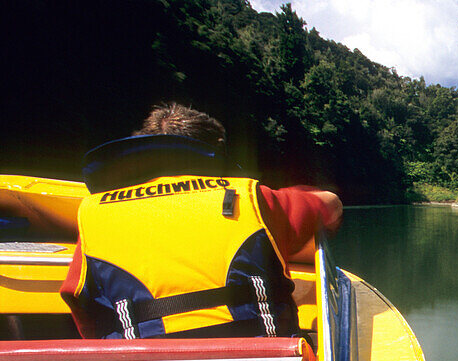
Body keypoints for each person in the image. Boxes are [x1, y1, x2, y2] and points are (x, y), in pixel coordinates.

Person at [61, 103, 342, 339]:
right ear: (217, 149)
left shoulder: (94, 214)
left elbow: (78, 299)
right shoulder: (253, 199)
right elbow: (330, 205)